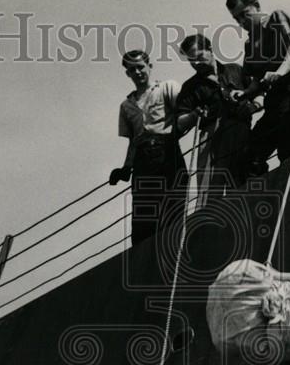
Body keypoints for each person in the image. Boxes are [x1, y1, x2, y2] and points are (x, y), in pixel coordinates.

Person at [225, 0, 290, 174]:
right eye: (236, 19)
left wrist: (279, 72)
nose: (241, 22)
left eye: (244, 15)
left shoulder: (276, 19)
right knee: (247, 159)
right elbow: (256, 79)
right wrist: (246, 93)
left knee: (288, 152)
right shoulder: (249, 44)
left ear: (256, 6)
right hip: (274, 102)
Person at [109, 50, 187, 247]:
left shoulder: (167, 88)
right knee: (143, 221)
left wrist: (172, 136)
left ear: (149, 66)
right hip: (142, 162)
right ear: (127, 74)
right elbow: (133, 141)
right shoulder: (126, 105)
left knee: (172, 212)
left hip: (167, 153)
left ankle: (173, 256)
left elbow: (184, 114)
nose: (137, 72)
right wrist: (125, 168)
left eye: (140, 67)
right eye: (132, 69)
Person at [175, 33, 258, 205]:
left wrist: (254, 106)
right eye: (191, 60)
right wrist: (194, 115)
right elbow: (180, 122)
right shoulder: (190, 87)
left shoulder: (235, 69)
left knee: (245, 184)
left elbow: (258, 91)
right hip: (212, 138)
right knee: (210, 194)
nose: (195, 63)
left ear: (210, 50)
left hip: (241, 130)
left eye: (198, 57)